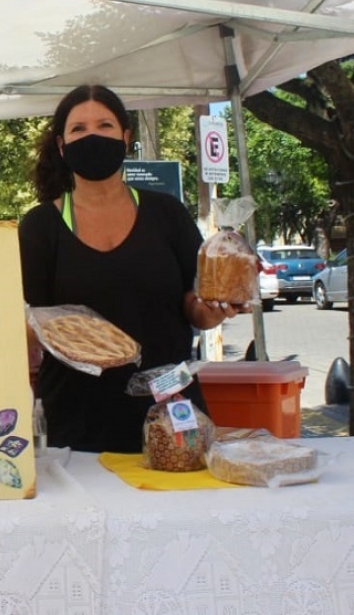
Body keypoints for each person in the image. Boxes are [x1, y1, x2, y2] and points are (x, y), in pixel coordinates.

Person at [19, 84, 239, 453]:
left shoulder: (166, 213)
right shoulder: (41, 226)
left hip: (171, 408)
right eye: (78, 129)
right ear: (62, 145)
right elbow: (27, 321)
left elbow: (195, 304)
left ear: (125, 137)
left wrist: (213, 310)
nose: (92, 136)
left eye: (104, 126)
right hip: (77, 418)